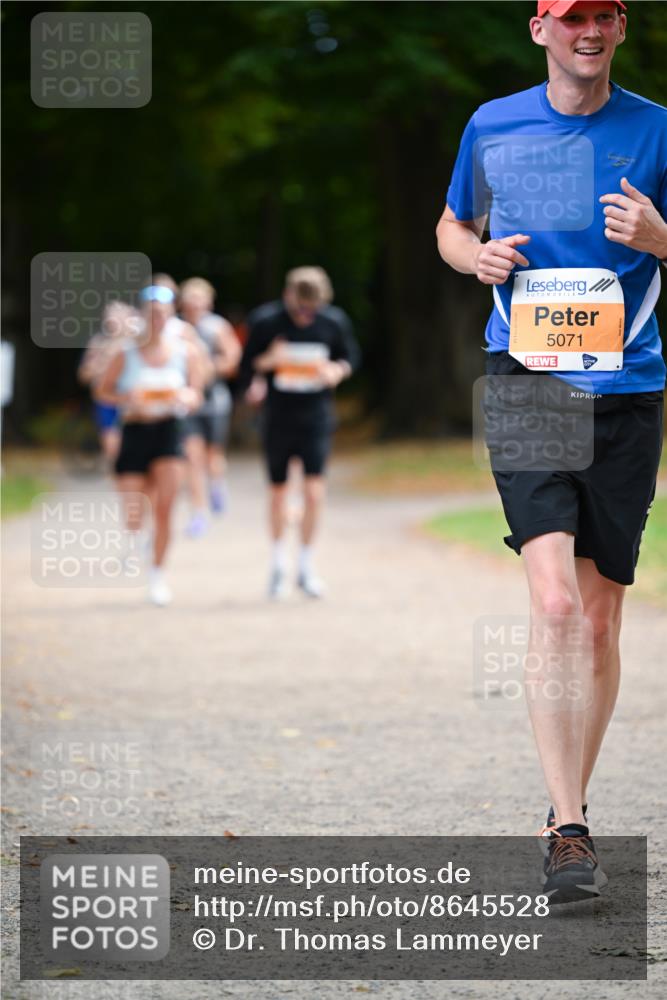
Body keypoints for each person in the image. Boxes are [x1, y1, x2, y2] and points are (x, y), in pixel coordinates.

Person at [436, 0, 666, 903]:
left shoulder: (655, 128)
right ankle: (569, 830)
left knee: (602, 618)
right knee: (556, 603)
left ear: (616, 31)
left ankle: (563, 805)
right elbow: (454, 225)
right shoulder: (492, 124)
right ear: (540, 31)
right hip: (529, 385)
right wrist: (475, 260)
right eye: (571, 17)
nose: (589, 30)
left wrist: (659, 239)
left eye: (605, 16)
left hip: (628, 393)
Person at [241, 266, 360, 599]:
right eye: (300, 310)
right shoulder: (266, 322)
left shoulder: (333, 322)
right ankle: (278, 562)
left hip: (316, 416)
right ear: (287, 297)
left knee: (313, 493)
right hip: (278, 416)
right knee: (278, 492)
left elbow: (350, 356)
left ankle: (306, 564)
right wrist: (267, 364)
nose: (306, 316)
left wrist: (337, 370)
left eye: (313, 309)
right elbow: (247, 365)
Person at [95, 285, 204, 606]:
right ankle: (138, 540)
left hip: (169, 431)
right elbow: (103, 391)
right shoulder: (124, 352)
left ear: (171, 315)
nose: (157, 319)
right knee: (133, 508)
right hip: (135, 431)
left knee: (165, 507)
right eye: (152, 313)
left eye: (162, 313)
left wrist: (185, 397)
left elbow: (197, 393)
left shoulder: (186, 351)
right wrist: (128, 399)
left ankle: (157, 576)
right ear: (143, 315)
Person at [178, 277, 241, 536]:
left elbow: (233, 360)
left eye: (199, 298)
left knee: (212, 455)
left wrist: (207, 369)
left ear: (208, 301)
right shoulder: (175, 329)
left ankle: (216, 484)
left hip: (214, 401)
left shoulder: (217, 327)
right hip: (186, 401)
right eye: (189, 299)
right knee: (192, 457)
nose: (194, 304)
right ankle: (199, 511)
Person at [77, 300, 140, 465]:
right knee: (112, 448)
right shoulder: (98, 343)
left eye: (118, 315)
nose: (112, 319)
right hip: (106, 402)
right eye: (110, 315)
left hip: (132, 401)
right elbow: (84, 374)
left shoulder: (137, 342)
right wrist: (101, 366)